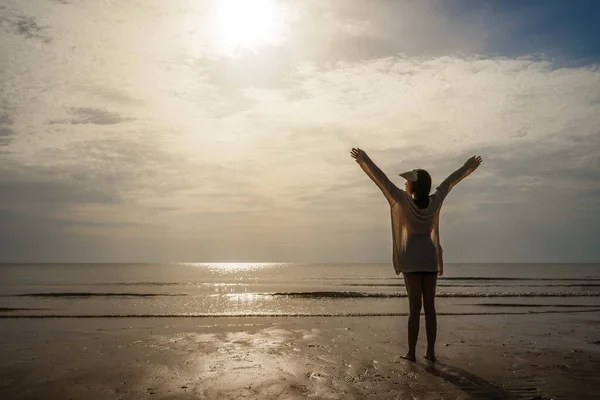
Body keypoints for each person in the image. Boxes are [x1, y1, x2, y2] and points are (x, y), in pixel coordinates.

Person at [350, 148, 482, 362]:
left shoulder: (403, 200)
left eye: (408, 181)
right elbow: (451, 181)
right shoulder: (436, 199)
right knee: (430, 307)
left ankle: (411, 353)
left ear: (413, 185)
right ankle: (430, 352)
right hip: (429, 257)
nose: (405, 184)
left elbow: (381, 180)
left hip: (412, 257)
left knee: (414, 308)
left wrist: (364, 160)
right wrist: (468, 167)